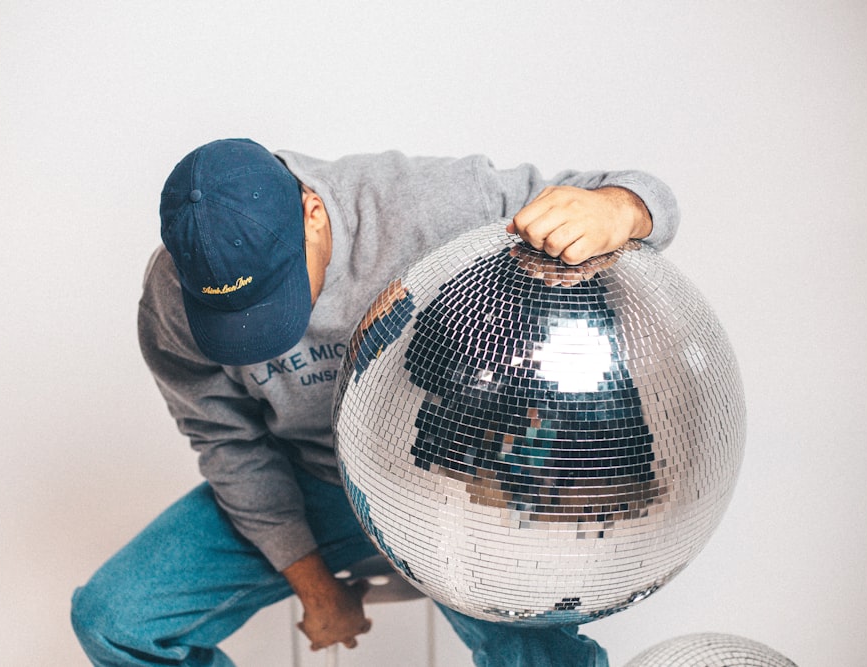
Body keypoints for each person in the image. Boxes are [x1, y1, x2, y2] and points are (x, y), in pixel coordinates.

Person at [70, 138, 680, 666]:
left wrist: (619, 209)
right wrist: (311, 583)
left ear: (312, 214)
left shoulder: (427, 205)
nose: (262, 330)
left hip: (448, 484)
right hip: (310, 482)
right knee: (114, 622)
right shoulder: (173, 297)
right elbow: (228, 441)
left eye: (276, 294)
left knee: (543, 660)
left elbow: (640, 196)